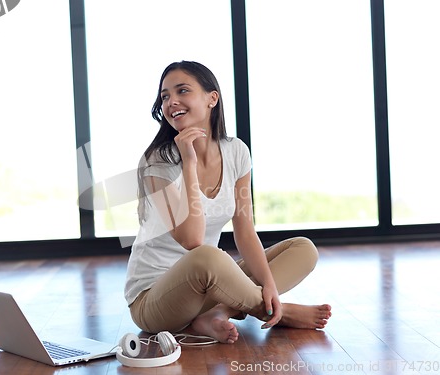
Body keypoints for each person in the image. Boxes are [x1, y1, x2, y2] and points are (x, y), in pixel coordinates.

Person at [124, 61, 331, 344]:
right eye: (164, 97)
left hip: (211, 287)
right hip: (155, 299)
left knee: (303, 249)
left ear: (212, 99)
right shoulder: (158, 161)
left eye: (182, 91)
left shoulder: (236, 152)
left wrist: (270, 285)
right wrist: (189, 163)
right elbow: (192, 239)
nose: (171, 102)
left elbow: (244, 231)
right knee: (208, 256)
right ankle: (276, 313)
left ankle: (217, 313)